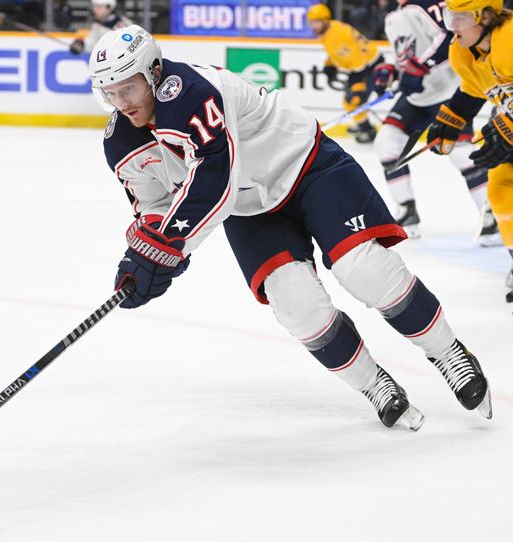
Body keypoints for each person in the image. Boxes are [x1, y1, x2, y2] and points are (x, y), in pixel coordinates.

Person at [90, 25, 492, 429]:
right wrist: (142, 253)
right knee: (297, 306)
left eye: (129, 88)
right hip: (251, 209)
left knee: (364, 270)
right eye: (111, 93)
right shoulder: (119, 142)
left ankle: (448, 351)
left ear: (155, 73)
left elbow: (215, 180)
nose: (121, 103)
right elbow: (155, 207)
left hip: (307, 166)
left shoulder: (190, 91)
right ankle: (373, 384)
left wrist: (167, 246)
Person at [371, 0, 500, 244]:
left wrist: (421, 67)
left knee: (460, 154)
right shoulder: (391, 17)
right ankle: (407, 211)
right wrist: (391, 70)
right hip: (417, 98)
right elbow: (404, 55)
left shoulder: (428, 4)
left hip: (449, 92)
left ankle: (491, 215)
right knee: (387, 144)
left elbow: (450, 37)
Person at [426, 0, 513, 301]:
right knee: (500, 190)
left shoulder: (510, 38)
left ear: (486, 16)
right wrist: (452, 116)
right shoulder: (464, 50)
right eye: (450, 16)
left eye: (460, 17)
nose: (452, 26)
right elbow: (475, 89)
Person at [308, 3, 382, 143]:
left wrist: (357, 82)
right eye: (311, 22)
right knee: (352, 100)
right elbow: (336, 53)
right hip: (363, 65)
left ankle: (368, 130)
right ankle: (362, 123)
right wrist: (329, 65)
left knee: (353, 100)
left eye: (316, 22)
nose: (314, 26)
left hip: (370, 66)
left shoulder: (335, 35)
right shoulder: (330, 29)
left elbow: (359, 58)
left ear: (325, 19)